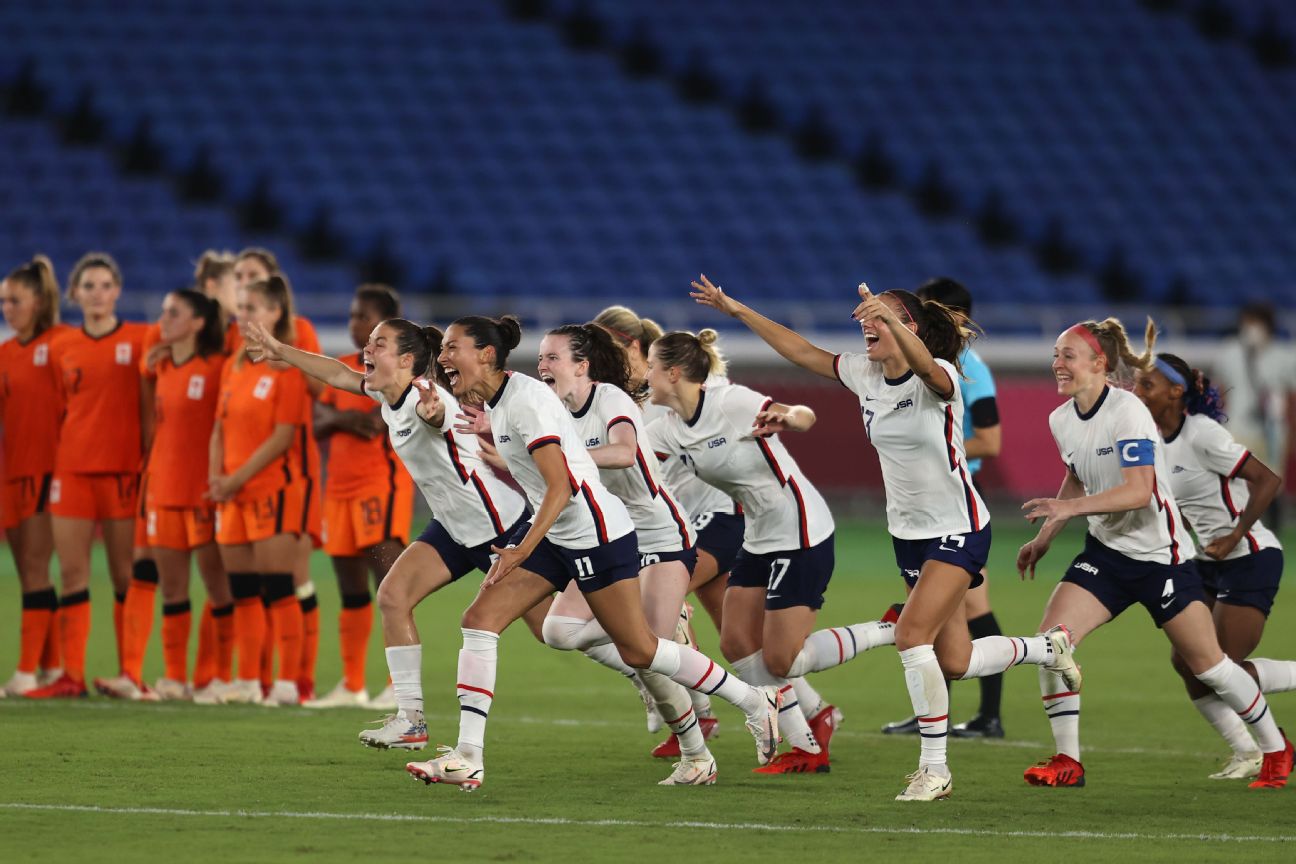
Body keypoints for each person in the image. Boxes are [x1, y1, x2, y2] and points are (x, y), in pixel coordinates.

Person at [692, 274, 1076, 800]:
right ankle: (1047, 647)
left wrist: (889, 314)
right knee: (955, 661)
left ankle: (935, 770)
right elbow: (802, 351)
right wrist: (736, 308)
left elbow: (926, 366)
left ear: (908, 326)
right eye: (867, 317)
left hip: (959, 528)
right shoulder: (864, 374)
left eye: (881, 318)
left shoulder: (937, 374)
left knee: (913, 637)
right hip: (908, 535)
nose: (867, 325)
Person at [404, 314, 780, 790]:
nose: (442, 358)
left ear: (486, 354)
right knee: (487, 621)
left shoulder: (529, 404)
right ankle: (468, 757)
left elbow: (562, 485)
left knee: (642, 650)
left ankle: (752, 701)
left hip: (597, 533)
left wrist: (521, 547)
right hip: (561, 532)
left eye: (452, 347)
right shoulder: (506, 403)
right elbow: (539, 474)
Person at [1017, 318, 1293, 790]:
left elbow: (1138, 492)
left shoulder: (1128, 412)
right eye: (1055, 354)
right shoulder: (1060, 418)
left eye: (1067, 355)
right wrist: (1046, 534)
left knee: (1210, 667)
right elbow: (1077, 478)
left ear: (1098, 363)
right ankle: (1069, 760)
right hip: (1105, 554)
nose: (1056, 363)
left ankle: (1274, 747)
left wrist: (1069, 508)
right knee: (1051, 644)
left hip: (1161, 559)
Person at [242, 315, 539, 746]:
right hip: (454, 529)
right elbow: (338, 374)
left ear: (405, 360)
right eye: (369, 341)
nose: (366, 349)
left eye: (378, 343)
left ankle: (648, 670)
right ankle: (411, 720)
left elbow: (435, 415)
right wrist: (279, 350)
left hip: (501, 530)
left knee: (557, 632)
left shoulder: (424, 398)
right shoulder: (387, 393)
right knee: (393, 596)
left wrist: (434, 413)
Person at [644, 319, 895, 776]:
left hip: (799, 527)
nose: (646, 376)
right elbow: (630, 464)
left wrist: (788, 417)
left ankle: (889, 630)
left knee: (782, 657)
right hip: (758, 533)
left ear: (675, 373)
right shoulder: (664, 430)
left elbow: (804, 414)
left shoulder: (731, 402)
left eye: (651, 368)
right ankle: (805, 745)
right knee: (737, 640)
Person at [536, 322, 719, 784]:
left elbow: (623, 452)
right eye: (540, 357)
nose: (542, 366)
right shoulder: (553, 410)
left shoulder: (611, 399)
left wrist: (569, 455)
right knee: (559, 630)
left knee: (647, 652)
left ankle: (701, 754)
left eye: (551, 357)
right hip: (614, 534)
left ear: (582, 365)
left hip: (660, 534)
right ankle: (656, 649)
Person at [1135, 352, 1296, 779]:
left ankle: (1273, 745)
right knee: (1188, 662)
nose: (1138, 390)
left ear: (1176, 392)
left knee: (1220, 667)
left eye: (1148, 384)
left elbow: (1269, 480)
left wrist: (1236, 534)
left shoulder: (1202, 434)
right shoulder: (1149, 438)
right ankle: (1247, 751)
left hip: (1251, 558)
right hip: (1204, 561)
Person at [882, 277, 1009, 739]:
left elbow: (991, 441)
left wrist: (939, 446)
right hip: (922, 506)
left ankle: (989, 714)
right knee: (939, 627)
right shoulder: (904, 367)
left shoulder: (968, 367)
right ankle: (934, 711)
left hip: (958, 498)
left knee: (973, 609)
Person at [25, 253, 149, 699]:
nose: (97, 294)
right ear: (74, 293)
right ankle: (70, 676)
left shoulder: (139, 339)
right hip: (72, 472)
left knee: (123, 575)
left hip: (121, 473)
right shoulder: (61, 345)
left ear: (117, 291)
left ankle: (129, 674)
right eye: (88, 286)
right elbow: (56, 408)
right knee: (72, 575)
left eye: (105, 285)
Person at [306, 285, 415, 708]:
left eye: (363, 317)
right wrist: (341, 417)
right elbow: (318, 423)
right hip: (339, 490)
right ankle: (352, 684)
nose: (356, 325)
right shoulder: (342, 370)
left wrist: (338, 417)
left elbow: (373, 424)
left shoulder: (394, 373)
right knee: (349, 589)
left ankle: (397, 686)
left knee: (389, 586)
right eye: (352, 317)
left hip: (378, 487)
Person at [121, 290, 230, 700]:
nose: (163, 319)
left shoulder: (217, 367)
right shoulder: (161, 365)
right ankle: (173, 677)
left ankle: (218, 677)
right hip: (163, 490)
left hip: (202, 492)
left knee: (218, 590)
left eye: (173, 313)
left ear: (198, 322)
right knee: (173, 591)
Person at [209, 275, 308, 706]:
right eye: (241, 307)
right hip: (232, 494)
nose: (242, 315)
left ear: (275, 313)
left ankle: (286, 683)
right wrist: (218, 478)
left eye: (252, 307)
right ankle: (249, 680)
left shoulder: (285, 367)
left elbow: (283, 437)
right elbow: (219, 426)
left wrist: (236, 478)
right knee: (244, 591)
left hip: (272, 489)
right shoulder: (233, 365)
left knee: (279, 587)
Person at [233, 248, 321, 699]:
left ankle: (295, 679)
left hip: (290, 476)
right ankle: (258, 679)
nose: (240, 289)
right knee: (252, 587)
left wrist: (283, 358)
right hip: (244, 480)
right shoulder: (236, 353)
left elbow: (319, 388)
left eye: (250, 280)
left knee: (291, 581)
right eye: (237, 280)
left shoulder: (295, 336)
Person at [0, 256, 69, 696]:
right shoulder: (5, 353)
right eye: (4, 301)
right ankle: (51, 667)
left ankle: (25, 671)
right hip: (13, 471)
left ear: (38, 301)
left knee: (36, 567)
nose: (7, 308)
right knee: (28, 574)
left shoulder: (63, 344)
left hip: (49, 469)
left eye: (15, 300)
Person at [1211, 303, 1295, 529]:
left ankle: (1273, 532)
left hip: (1273, 430)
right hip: (1237, 427)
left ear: (1268, 325)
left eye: (1254, 322)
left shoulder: (1285, 356)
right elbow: (1219, 391)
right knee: (1234, 478)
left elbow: (1291, 398)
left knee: (1272, 480)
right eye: (1246, 322)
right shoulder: (1229, 352)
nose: (1250, 328)